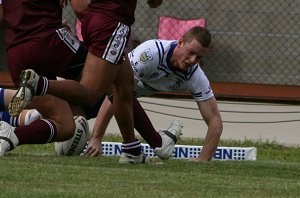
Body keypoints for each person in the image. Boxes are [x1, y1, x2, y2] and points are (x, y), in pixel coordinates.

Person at [8, 0, 165, 163]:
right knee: (91, 93)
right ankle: (38, 84)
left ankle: (135, 150)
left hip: (16, 49)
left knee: (122, 85)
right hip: (107, 23)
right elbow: (154, 3)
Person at [85, 26, 223, 162]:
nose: (193, 60)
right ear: (180, 42)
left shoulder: (196, 77)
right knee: (78, 114)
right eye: (191, 52)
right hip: (102, 87)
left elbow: (215, 120)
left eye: (198, 57)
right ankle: (160, 142)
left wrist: (203, 159)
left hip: (124, 97)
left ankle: (152, 145)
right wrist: (97, 138)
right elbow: (116, 90)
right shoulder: (151, 53)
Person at [0, 0, 89, 156]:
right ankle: (131, 147)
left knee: (65, 125)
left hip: (17, 52)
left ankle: (11, 135)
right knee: (101, 84)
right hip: (49, 39)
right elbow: (80, 8)